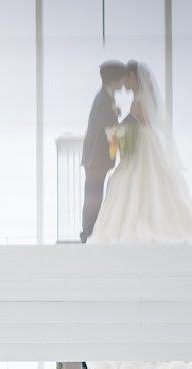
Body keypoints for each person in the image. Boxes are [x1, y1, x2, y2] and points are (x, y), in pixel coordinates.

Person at [88, 60, 192, 243]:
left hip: (142, 143)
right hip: (144, 142)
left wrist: (122, 128)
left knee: (137, 179)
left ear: (133, 77)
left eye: (126, 78)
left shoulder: (139, 99)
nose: (124, 83)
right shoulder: (139, 97)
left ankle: (137, 222)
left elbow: (139, 123)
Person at [80, 61, 127, 243]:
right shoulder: (103, 101)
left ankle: (90, 231)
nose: (123, 83)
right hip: (95, 157)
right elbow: (112, 128)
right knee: (93, 196)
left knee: (94, 194)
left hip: (97, 157)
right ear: (114, 80)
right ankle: (88, 233)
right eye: (121, 79)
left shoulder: (106, 98)